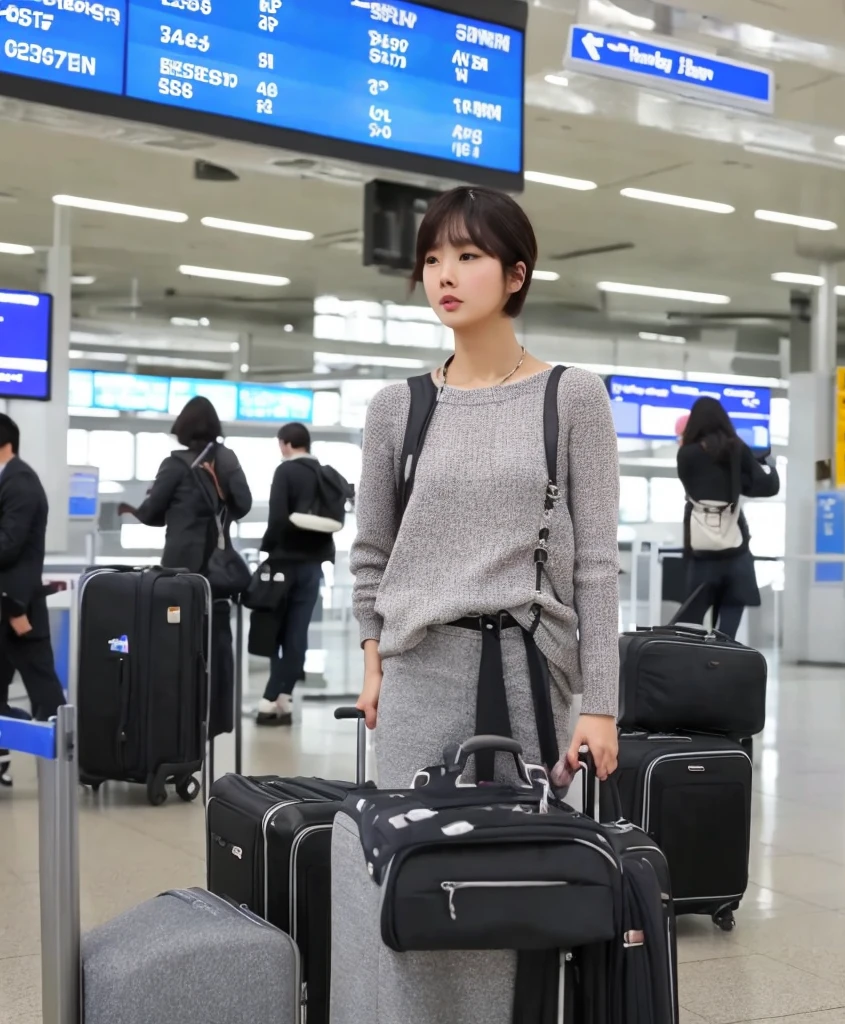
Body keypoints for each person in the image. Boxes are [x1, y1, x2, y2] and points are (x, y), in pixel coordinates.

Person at [349, 184, 620, 1023]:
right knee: (418, 874)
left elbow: (599, 566)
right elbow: (371, 555)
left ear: (516, 273)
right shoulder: (398, 407)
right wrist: (372, 659)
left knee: (520, 884)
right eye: (432, 257)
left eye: (467, 255)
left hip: (529, 676)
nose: (444, 274)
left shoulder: (571, 397)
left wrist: (601, 704)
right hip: (420, 673)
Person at [119, 396, 251, 737]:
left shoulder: (175, 465)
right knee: (218, 644)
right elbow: (245, 504)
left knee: (176, 646)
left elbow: (151, 513)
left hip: (180, 574)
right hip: (218, 572)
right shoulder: (227, 458)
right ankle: (215, 720)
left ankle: (177, 722)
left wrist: (133, 508)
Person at [675, 398, 779, 638]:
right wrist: (767, 465)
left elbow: (693, 486)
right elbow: (761, 486)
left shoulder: (686, 454)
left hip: (700, 548)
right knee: (731, 614)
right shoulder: (736, 448)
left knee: (693, 617)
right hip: (734, 548)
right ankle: (723, 658)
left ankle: (695, 663)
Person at [0, 414, 67, 785]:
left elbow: (11, 547)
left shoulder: (20, 482)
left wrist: (14, 606)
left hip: (18, 607)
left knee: (44, 691)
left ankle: (70, 758)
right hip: (6, 604)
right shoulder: (8, 480)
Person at [256, 422, 333, 726]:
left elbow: (277, 518)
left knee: (278, 631)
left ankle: (269, 699)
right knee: (298, 632)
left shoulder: (285, 471)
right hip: (314, 567)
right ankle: (284, 700)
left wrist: (268, 550)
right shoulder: (326, 474)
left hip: (284, 565)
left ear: (286, 444)